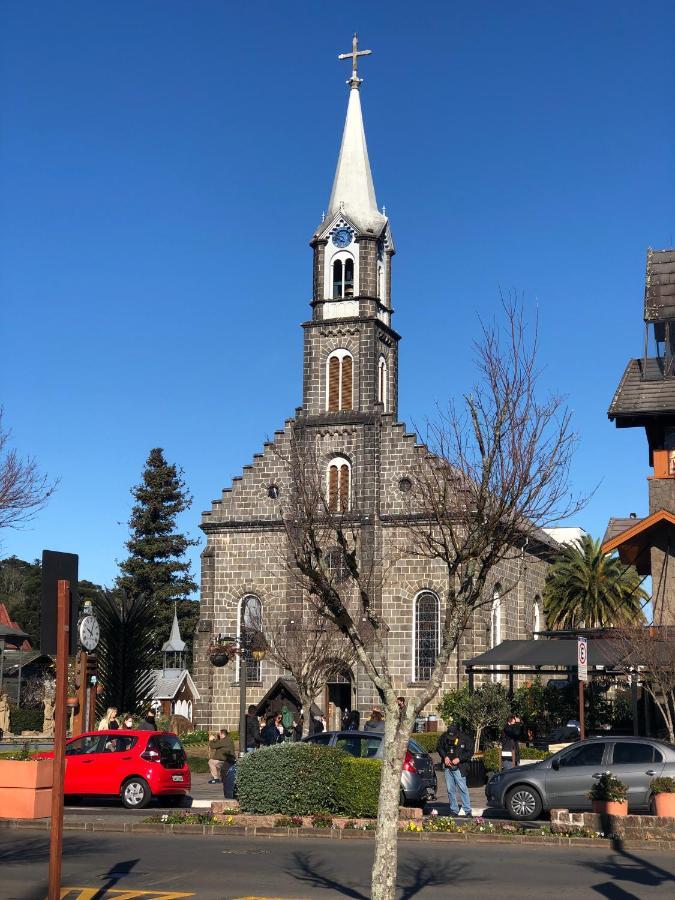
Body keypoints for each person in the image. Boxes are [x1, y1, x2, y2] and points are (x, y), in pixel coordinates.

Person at [438, 722, 473, 817]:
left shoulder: (465, 738)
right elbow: (439, 747)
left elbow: (470, 752)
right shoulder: (444, 737)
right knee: (450, 790)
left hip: (460, 767)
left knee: (462, 788)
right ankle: (454, 810)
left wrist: (459, 759)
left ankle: (467, 810)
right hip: (448, 767)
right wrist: (445, 756)